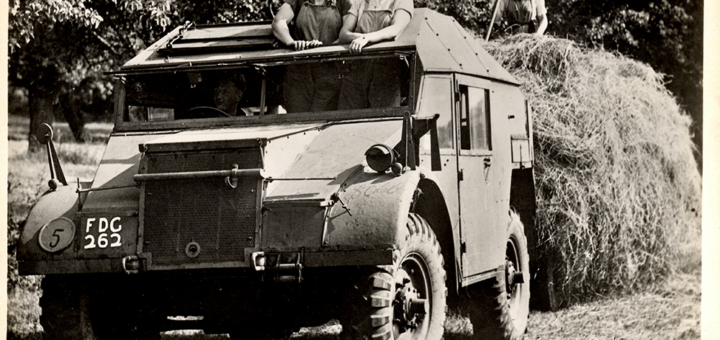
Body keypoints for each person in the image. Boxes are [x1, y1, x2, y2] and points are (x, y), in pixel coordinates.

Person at [272, 0, 353, 112]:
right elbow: (279, 22)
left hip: (330, 73)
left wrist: (323, 48)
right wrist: (291, 42)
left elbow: (347, 32)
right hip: (299, 73)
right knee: (297, 121)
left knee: (323, 121)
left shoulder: (343, 2)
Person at [336, 0, 413, 110]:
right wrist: (363, 38)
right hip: (356, 70)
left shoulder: (401, 1)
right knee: (346, 118)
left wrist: (366, 38)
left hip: (386, 72)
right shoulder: (360, 2)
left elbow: (395, 29)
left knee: (381, 121)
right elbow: (343, 34)